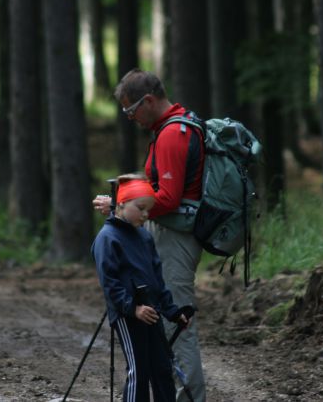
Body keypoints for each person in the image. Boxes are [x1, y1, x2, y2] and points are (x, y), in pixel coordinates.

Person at [93, 69, 206, 402]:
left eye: (131, 111)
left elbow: (168, 198)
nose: (131, 119)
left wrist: (121, 204)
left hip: (175, 239)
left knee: (176, 327)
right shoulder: (177, 126)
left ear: (149, 101)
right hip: (172, 235)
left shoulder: (172, 134)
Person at [92, 174, 189, 402]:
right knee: (139, 370)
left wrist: (173, 312)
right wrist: (132, 308)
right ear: (122, 204)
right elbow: (110, 283)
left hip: (152, 312)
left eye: (149, 210)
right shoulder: (107, 238)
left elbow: (157, 280)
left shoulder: (144, 236)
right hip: (128, 315)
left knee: (162, 368)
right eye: (141, 208)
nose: (146, 214)